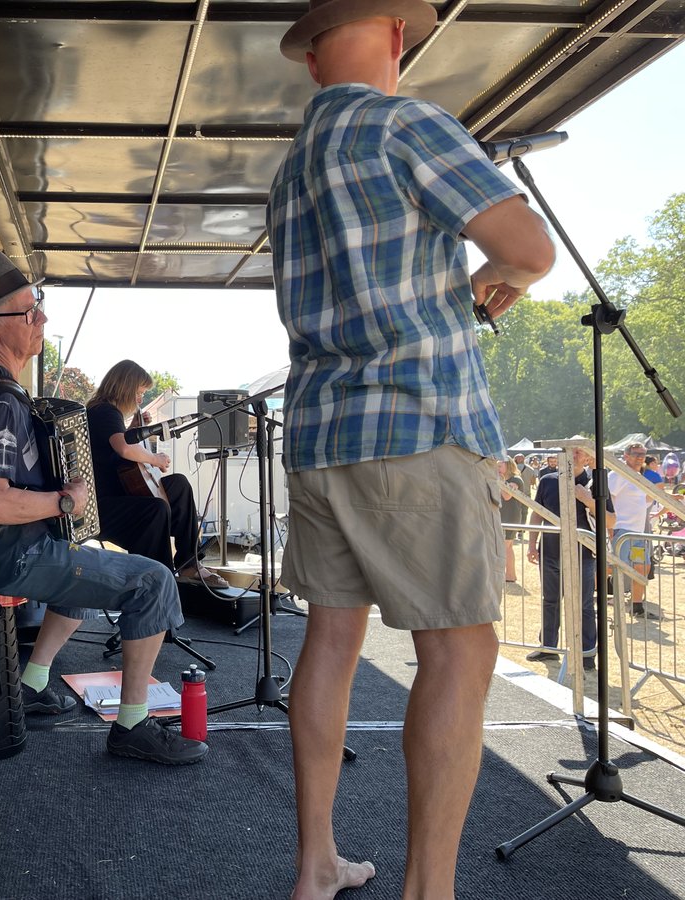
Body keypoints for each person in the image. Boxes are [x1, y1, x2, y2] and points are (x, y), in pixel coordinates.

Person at [268, 2, 556, 896]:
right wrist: (493, 280)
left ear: (313, 61)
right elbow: (530, 249)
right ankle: (428, 890)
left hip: (322, 433)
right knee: (459, 653)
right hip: (418, 423)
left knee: (331, 638)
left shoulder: (289, 171)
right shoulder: (408, 124)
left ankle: (316, 863)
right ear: (398, 35)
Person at [0, 252, 207, 765]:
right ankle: (133, 725)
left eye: (37, 308)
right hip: (7, 558)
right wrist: (66, 499)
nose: (41, 320)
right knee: (153, 581)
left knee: (75, 548)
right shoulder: (1, 399)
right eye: (29, 313)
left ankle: (34, 680)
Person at [86, 359, 228, 588]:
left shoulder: (105, 412)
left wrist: (132, 428)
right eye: (139, 392)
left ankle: (188, 562)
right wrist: (155, 459)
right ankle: (160, 582)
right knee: (156, 508)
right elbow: (123, 448)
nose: (140, 399)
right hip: (104, 506)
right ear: (125, 387)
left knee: (179, 485)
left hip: (119, 494)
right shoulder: (105, 412)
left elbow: (117, 450)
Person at [525, 448, 613, 667]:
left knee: (584, 605)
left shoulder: (594, 483)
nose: (574, 455)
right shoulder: (547, 480)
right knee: (550, 600)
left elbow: (611, 520)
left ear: (586, 457)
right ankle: (548, 647)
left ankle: (586, 655)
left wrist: (589, 500)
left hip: (583, 555)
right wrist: (531, 544)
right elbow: (537, 513)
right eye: (570, 451)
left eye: (579, 451)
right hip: (550, 552)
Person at [609, 442, 656, 618]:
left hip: (637, 532)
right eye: (636, 454)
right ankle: (598, 596)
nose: (640, 457)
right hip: (622, 530)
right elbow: (608, 498)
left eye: (643, 454)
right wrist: (609, 525)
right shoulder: (618, 475)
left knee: (642, 568)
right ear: (626, 456)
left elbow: (644, 502)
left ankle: (637, 607)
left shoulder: (639, 477)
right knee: (616, 568)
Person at [499, 457, 526, 583]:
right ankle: (509, 574)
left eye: (500, 466)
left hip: (510, 516)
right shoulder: (506, 479)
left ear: (508, 465)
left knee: (506, 546)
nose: (497, 468)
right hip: (504, 515)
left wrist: (499, 481)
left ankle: (509, 575)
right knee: (506, 546)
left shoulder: (515, 479)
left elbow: (507, 496)